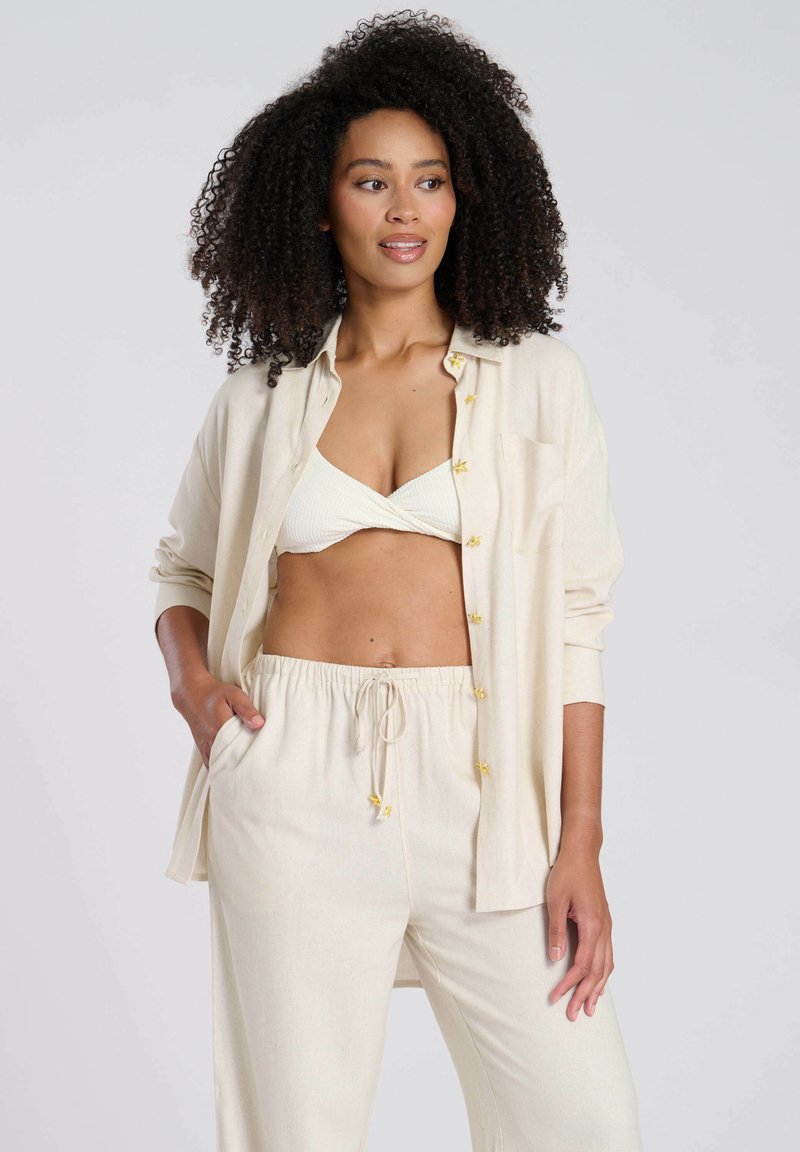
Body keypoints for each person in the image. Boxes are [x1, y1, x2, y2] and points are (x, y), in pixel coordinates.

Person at [149, 11, 644, 1151]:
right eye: (371, 182)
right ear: (321, 203)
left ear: (467, 198)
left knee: (582, 1123)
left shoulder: (537, 383)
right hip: (292, 777)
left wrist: (578, 837)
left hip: (486, 785)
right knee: (295, 1130)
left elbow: (577, 617)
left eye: (430, 180)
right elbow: (182, 568)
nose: (404, 209)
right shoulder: (260, 396)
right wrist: (196, 693)